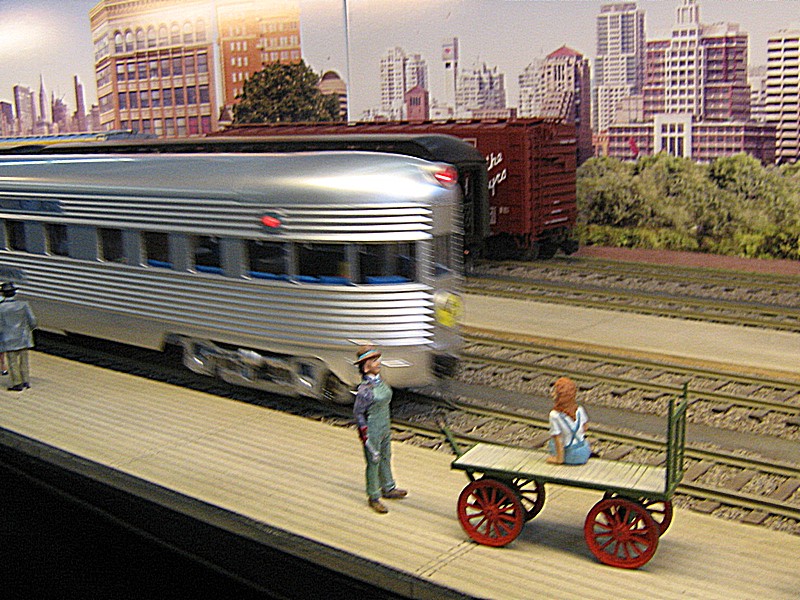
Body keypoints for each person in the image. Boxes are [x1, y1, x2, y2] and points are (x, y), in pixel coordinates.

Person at [352, 344, 407, 513]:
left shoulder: (380, 382)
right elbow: (358, 413)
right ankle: (374, 496)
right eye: (375, 361)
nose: (379, 363)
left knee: (386, 456)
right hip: (372, 428)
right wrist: (364, 432)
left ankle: (388, 487)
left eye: (377, 360)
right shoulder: (365, 390)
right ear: (366, 366)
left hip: (384, 425)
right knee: (373, 462)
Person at [0, 282, 37, 391]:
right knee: (24, 361)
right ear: (14, 293)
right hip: (23, 337)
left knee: (12, 362)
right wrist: (28, 330)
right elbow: (33, 321)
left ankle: (17, 383)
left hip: (8, 339)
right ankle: (26, 381)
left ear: (3, 294)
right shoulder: (24, 304)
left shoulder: (1, 308)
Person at [546, 376, 591, 465]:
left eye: (555, 392)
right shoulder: (580, 409)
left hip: (571, 456)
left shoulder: (554, 415)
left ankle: (561, 458)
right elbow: (585, 427)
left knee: (552, 442)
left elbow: (558, 439)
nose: (552, 394)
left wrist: (559, 459)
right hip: (584, 451)